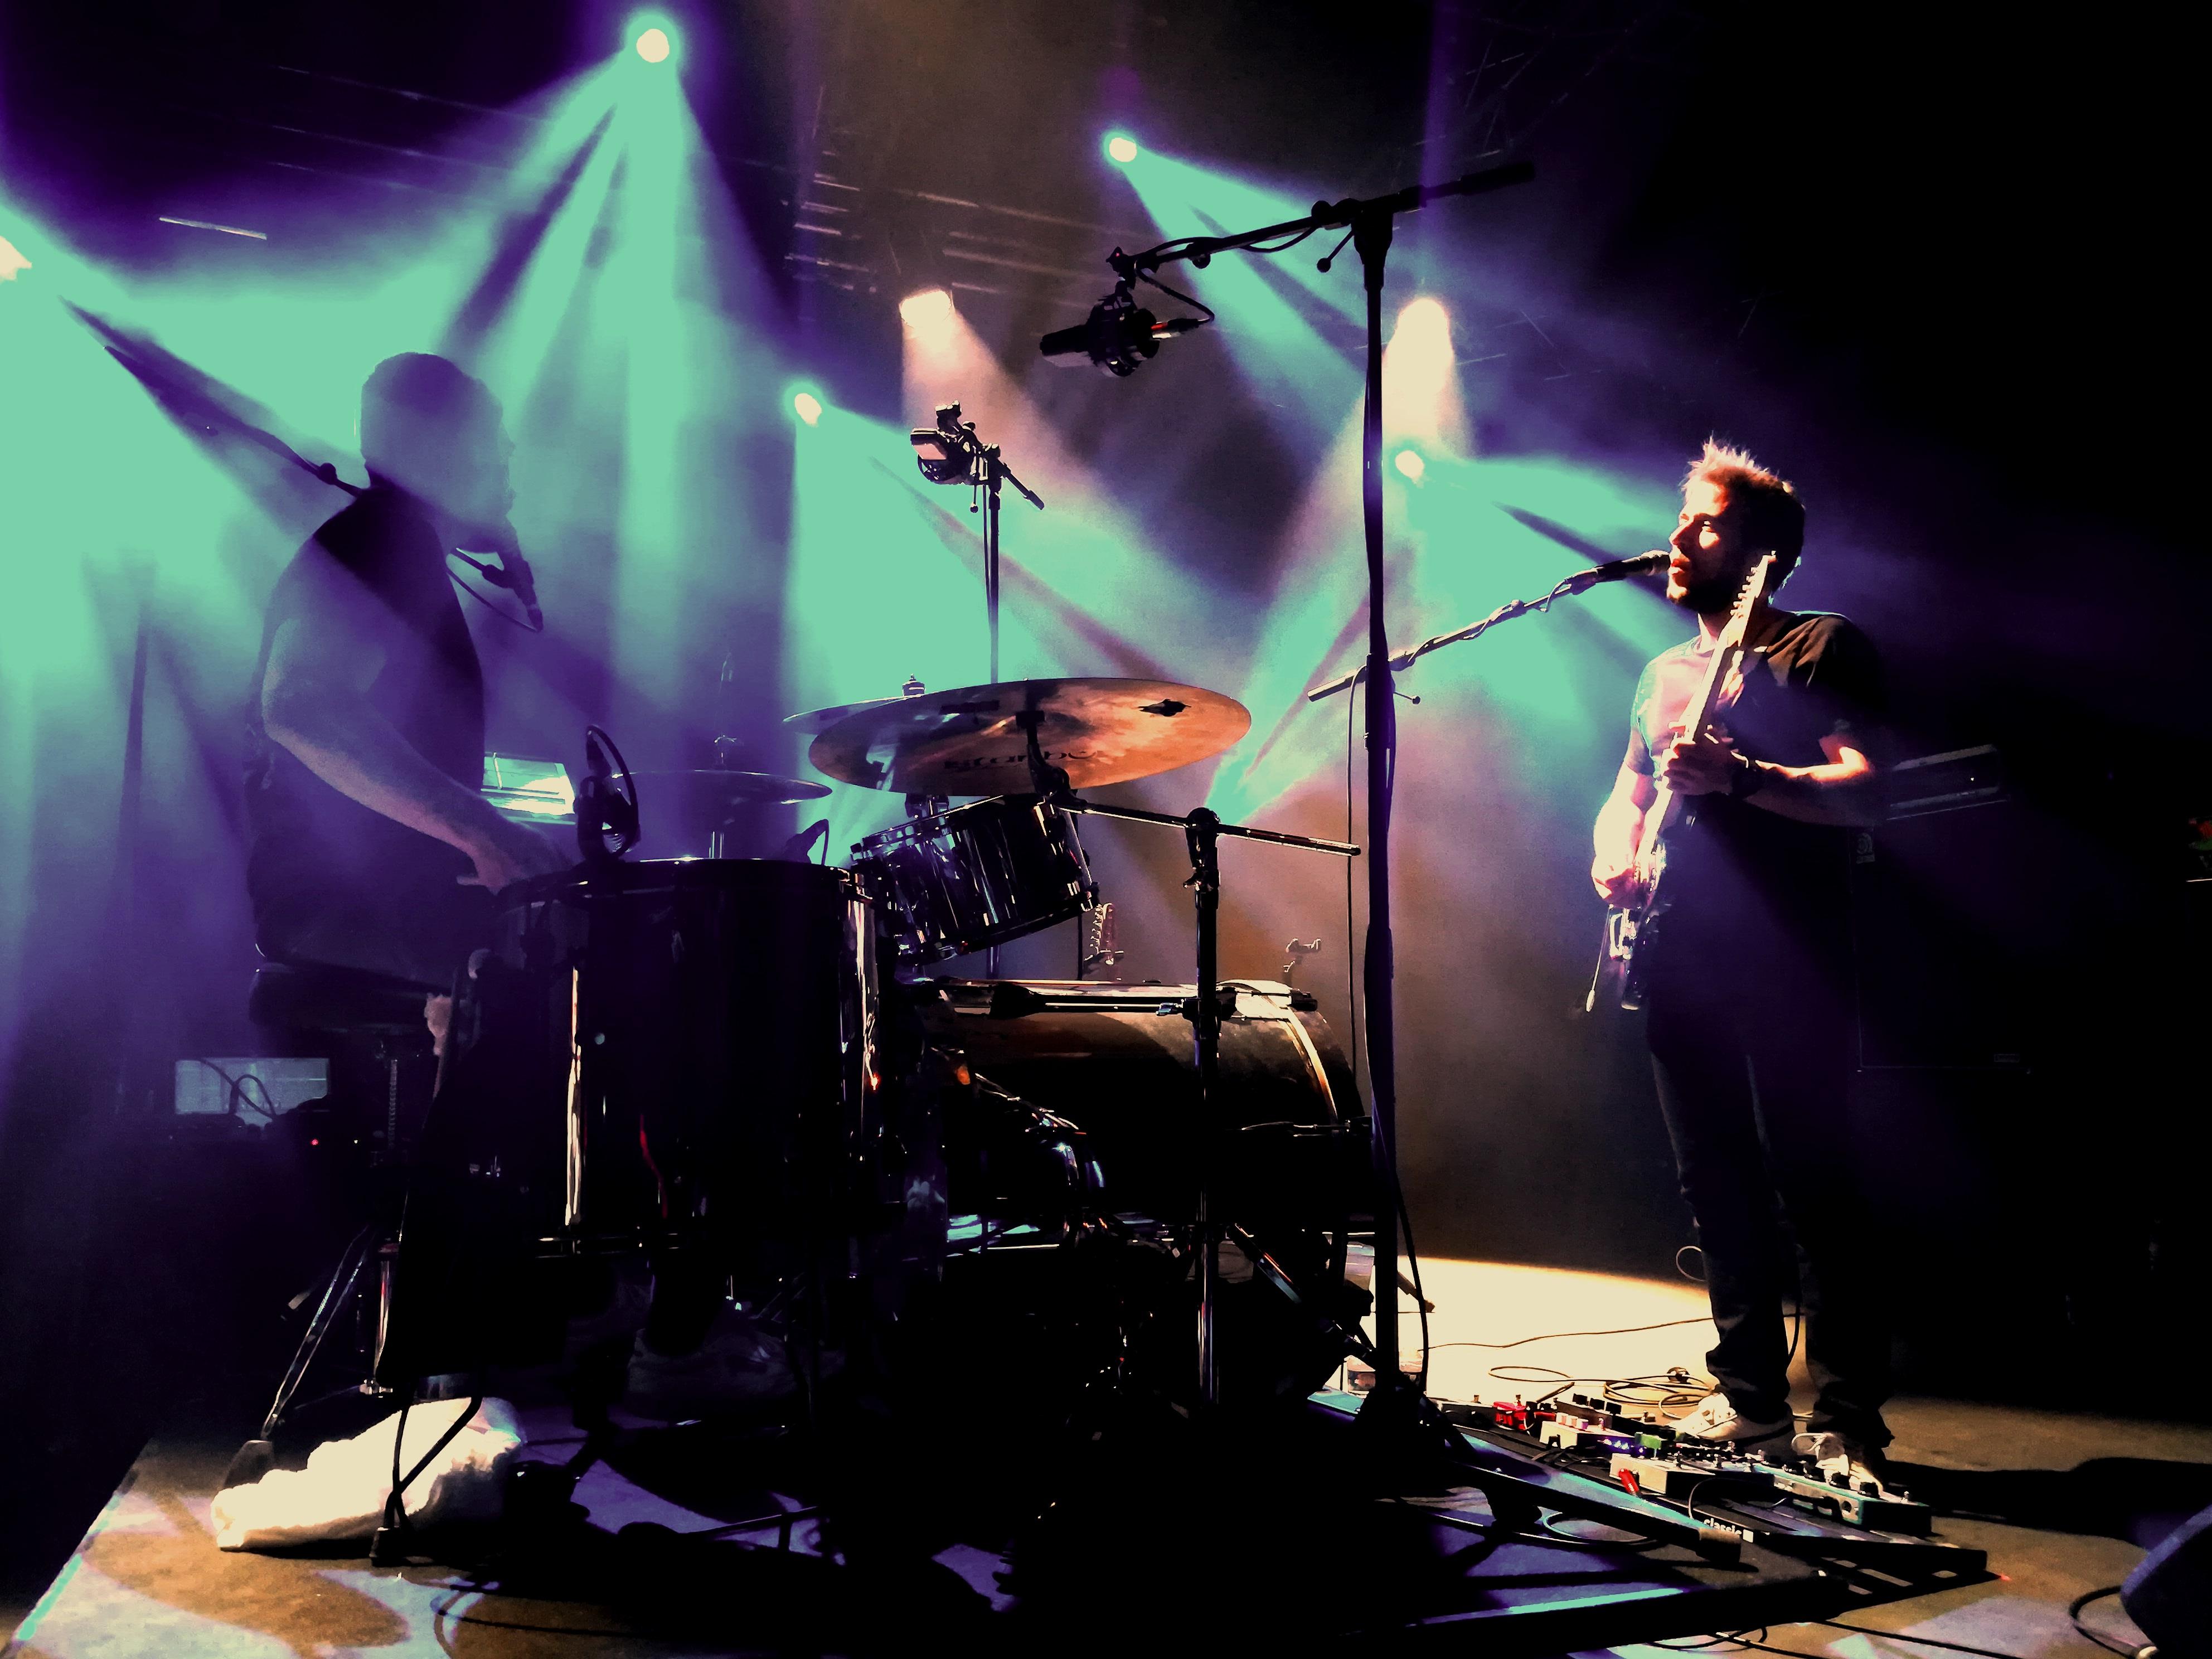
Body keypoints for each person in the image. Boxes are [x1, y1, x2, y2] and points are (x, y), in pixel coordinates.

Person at [1589, 441, 1891, 1479]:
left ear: (1761, 552)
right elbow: (1627, 788)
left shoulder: (1819, 647)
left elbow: (1863, 788)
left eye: (1705, 524)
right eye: (1683, 519)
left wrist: (1743, 774)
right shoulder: (1661, 672)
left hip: (1790, 953)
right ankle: (1752, 1404)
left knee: (1816, 1183)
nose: (1678, 537)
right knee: (1713, 1184)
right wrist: (1610, 846)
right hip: (1680, 952)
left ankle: (1847, 1418)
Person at [245, 353, 566, 1008]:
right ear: (434, 447)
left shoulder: (395, 544)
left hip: (368, 910)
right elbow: (301, 704)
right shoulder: (384, 539)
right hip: (352, 915)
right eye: (490, 431)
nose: (508, 450)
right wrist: (488, 833)